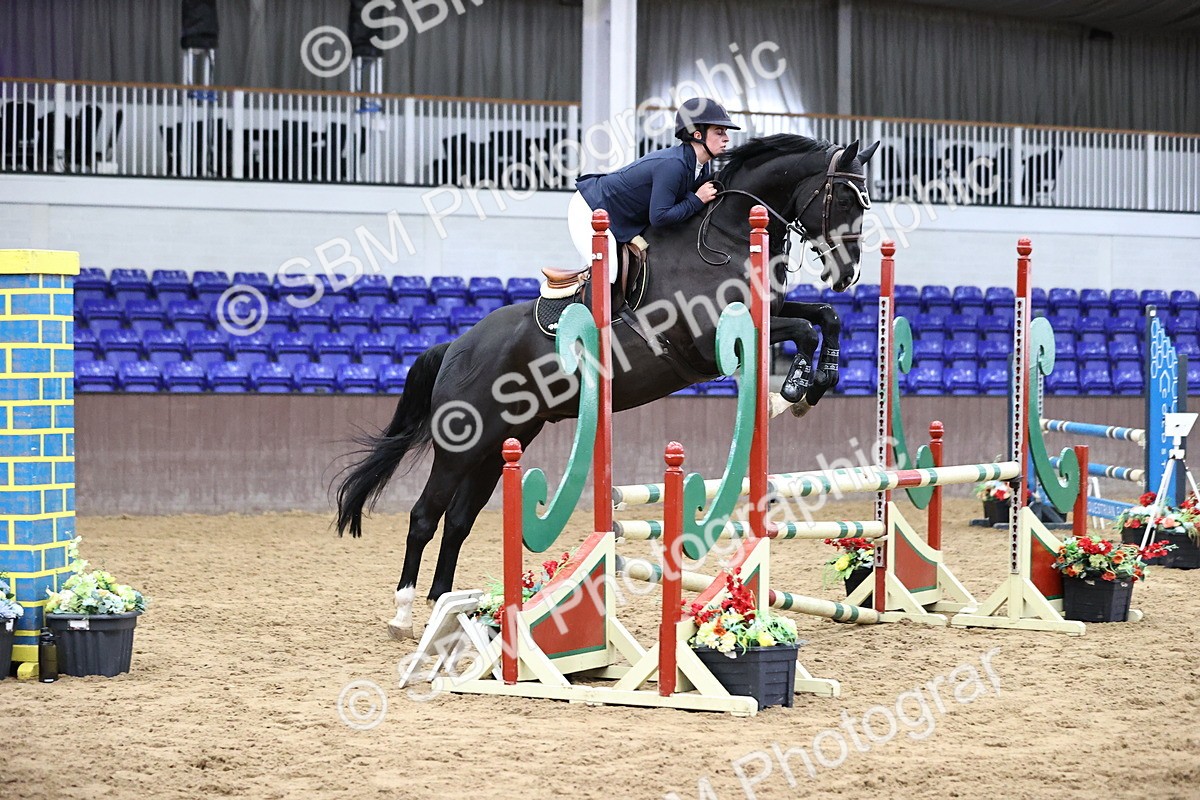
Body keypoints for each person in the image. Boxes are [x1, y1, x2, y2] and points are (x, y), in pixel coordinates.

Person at [567, 97, 739, 281]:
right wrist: (696, 200)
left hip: (617, 216)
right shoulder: (674, 165)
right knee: (609, 273)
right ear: (698, 134)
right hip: (590, 210)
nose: (726, 138)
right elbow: (659, 216)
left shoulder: (702, 166)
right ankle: (583, 309)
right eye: (719, 132)